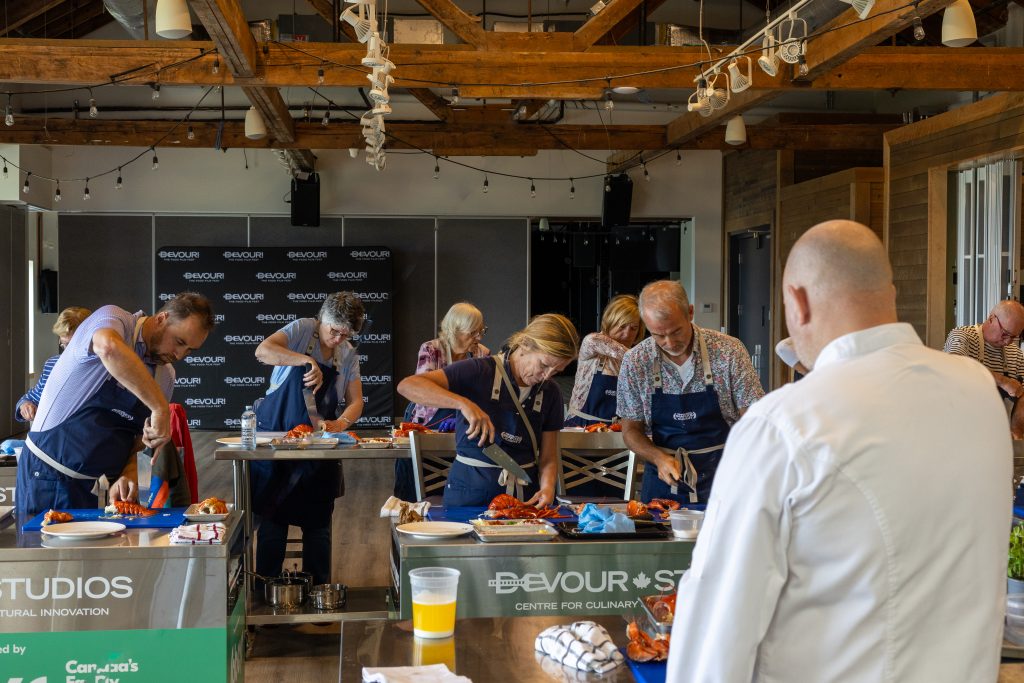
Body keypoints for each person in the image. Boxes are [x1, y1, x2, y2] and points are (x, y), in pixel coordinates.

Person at [667, 220, 1011, 682]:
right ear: (888, 294)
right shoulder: (979, 392)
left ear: (798, 301)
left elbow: (717, 623)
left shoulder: (784, 423)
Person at [16, 293, 214, 522]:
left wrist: (128, 470)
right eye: (179, 342)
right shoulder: (115, 319)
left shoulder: (165, 375)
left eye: (190, 350)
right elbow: (108, 347)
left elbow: (137, 436)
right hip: (47, 476)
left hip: (98, 490)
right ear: (162, 318)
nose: (180, 355)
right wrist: (160, 407)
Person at [397, 314, 579, 508]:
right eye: (544, 365)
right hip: (469, 496)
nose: (547, 375)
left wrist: (548, 487)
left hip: (523, 500)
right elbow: (408, 386)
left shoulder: (551, 392)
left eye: (557, 370)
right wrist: (464, 404)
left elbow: (549, 456)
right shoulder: (479, 371)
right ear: (525, 344)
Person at [251, 291, 364, 586]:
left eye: (345, 334)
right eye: (334, 330)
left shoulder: (348, 355)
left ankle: (319, 593)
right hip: (277, 445)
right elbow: (263, 351)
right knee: (273, 526)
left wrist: (341, 422)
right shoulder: (303, 329)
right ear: (322, 318)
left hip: (317, 449)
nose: (338, 339)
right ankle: (266, 591)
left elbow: (356, 402)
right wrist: (305, 361)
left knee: (319, 527)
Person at [617, 280, 763, 504]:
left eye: (676, 331)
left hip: (724, 475)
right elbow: (631, 431)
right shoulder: (636, 360)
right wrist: (658, 458)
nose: (669, 342)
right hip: (664, 481)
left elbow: (753, 418)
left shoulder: (728, 351)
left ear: (690, 313)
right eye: (658, 335)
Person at [395, 302, 490, 500]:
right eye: (473, 332)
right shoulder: (431, 349)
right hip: (427, 426)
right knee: (414, 493)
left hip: (464, 432)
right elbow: (421, 389)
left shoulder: (482, 354)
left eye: (481, 331)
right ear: (454, 329)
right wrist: (459, 404)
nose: (478, 338)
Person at [944, 300, 1024, 437]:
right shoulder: (963, 335)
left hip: (997, 436)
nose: (1007, 341)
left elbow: (1022, 395)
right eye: (1005, 333)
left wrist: (1017, 430)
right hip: (958, 432)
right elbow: (954, 365)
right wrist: (1003, 381)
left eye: (1014, 337)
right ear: (991, 318)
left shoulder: (1015, 353)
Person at [564, 294, 643, 427]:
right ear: (610, 322)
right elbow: (627, 355)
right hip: (581, 427)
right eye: (622, 326)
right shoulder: (593, 342)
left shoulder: (634, 359)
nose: (627, 334)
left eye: (633, 328)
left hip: (616, 431)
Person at [15, 306, 91, 423]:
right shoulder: (52, 364)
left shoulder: (101, 370)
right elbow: (32, 397)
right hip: (47, 436)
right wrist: (25, 405)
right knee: (8, 443)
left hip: (76, 436)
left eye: (73, 345)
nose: (67, 352)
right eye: (64, 345)